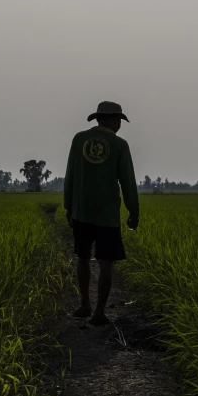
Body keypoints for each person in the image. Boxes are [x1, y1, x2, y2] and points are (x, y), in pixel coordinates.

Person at [63, 101, 140, 325]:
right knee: (106, 262)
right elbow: (127, 180)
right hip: (107, 214)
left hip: (81, 210)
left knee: (83, 257)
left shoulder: (79, 139)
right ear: (115, 120)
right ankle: (99, 313)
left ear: (97, 118)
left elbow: (71, 174)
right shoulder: (119, 144)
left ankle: (84, 305)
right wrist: (133, 210)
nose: (120, 125)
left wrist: (69, 205)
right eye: (119, 121)